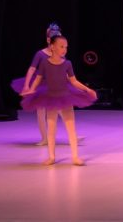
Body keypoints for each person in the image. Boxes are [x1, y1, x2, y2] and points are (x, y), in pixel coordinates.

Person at [21, 34, 97, 165]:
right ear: (52, 47)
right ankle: (51, 157)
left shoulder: (67, 63)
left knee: (71, 128)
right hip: (51, 99)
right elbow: (38, 78)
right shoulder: (44, 63)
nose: (64, 49)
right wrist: (31, 89)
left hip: (65, 98)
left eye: (66, 47)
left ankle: (75, 157)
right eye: (61, 46)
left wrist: (87, 89)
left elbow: (74, 81)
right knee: (51, 129)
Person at [10, 22, 63, 146]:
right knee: (41, 111)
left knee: (61, 109)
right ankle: (44, 138)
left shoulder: (60, 54)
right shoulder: (40, 54)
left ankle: (73, 135)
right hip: (41, 85)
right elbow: (32, 69)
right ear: (48, 40)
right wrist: (26, 85)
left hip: (53, 85)